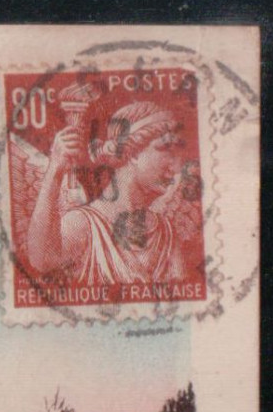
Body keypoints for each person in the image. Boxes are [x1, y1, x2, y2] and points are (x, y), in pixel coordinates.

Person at [24, 100, 194, 285]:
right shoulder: (83, 224)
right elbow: (41, 263)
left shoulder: (165, 232)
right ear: (134, 153)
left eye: (179, 154)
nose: (177, 168)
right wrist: (55, 170)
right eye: (167, 149)